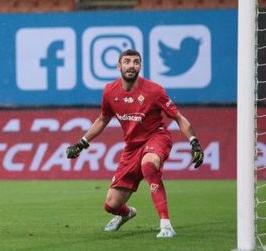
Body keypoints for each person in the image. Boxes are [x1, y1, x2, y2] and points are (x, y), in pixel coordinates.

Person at [65, 49, 204, 238]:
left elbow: (178, 117)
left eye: (136, 62)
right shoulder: (109, 91)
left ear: (140, 66)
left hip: (156, 137)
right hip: (131, 147)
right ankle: (127, 213)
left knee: (148, 166)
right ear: (119, 66)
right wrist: (81, 143)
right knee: (111, 205)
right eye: (127, 61)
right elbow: (103, 119)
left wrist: (194, 142)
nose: (132, 65)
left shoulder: (154, 91)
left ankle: (165, 224)